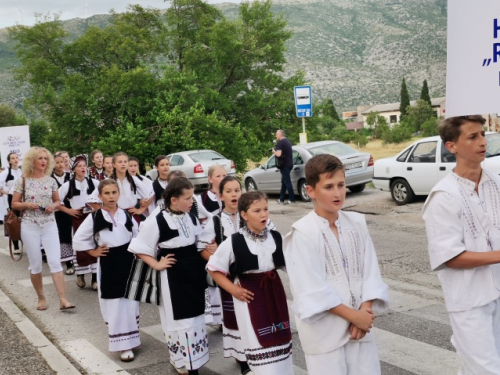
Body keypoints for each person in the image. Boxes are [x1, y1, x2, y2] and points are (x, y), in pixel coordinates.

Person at [283, 154, 389, 374]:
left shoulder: (357, 224)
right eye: (328, 186)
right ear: (311, 191)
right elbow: (311, 290)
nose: (337, 193)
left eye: (341, 185)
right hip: (325, 337)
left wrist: (365, 311)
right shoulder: (302, 233)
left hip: (359, 332)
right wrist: (355, 317)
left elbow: (370, 272)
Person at [422, 115, 500, 374]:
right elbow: (450, 257)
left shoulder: (496, 184)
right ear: (451, 146)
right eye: (472, 136)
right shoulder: (444, 196)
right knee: (487, 370)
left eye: (482, 134)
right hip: (469, 301)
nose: (482, 141)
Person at [207, 191, 294, 375]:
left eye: (265, 209)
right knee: (257, 340)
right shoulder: (234, 241)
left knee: (280, 339)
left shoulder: (276, 238)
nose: (263, 214)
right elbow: (213, 268)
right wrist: (233, 290)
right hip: (249, 297)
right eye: (257, 211)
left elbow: (293, 266)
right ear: (244, 215)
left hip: (273, 293)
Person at [129, 177, 209, 375]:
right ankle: (182, 362)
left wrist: (209, 247)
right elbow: (139, 247)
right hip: (173, 274)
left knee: (196, 317)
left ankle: (192, 362)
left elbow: (199, 240)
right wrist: (156, 263)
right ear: (174, 199)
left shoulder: (190, 215)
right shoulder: (158, 219)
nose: (192, 201)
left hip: (193, 270)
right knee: (179, 320)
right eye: (188, 198)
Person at [73, 179, 140, 362]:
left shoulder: (126, 215)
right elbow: (79, 238)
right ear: (100, 196)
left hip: (128, 260)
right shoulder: (95, 217)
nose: (111, 197)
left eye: (114, 193)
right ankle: (122, 345)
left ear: (118, 194)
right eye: (107, 193)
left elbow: (138, 234)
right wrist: (93, 251)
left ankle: (132, 338)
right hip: (109, 261)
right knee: (115, 302)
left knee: (130, 300)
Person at [11, 147, 75, 311]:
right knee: (36, 264)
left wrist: (52, 206)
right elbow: (14, 204)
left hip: (49, 224)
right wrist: (26, 204)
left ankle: (63, 299)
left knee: (55, 262)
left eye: (46, 159)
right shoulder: (22, 181)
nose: (43, 161)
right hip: (29, 225)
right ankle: (41, 297)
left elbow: (58, 201)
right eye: (40, 158)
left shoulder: (50, 180)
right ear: (32, 160)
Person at [58, 155, 100, 290]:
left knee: (94, 244)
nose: (83, 168)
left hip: (92, 218)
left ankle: (95, 278)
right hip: (77, 219)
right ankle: (80, 275)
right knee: (80, 246)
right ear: (74, 169)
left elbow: (103, 196)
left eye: (84, 166)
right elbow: (56, 201)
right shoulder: (67, 185)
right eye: (80, 166)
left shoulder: (94, 183)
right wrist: (68, 211)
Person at [87, 152, 150, 224]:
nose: (123, 164)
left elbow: (149, 194)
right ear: (114, 164)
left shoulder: (133, 179)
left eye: (125, 162)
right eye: (120, 162)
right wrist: (106, 214)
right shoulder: (108, 181)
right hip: (116, 217)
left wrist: (141, 209)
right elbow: (91, 200)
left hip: (133, 216)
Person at [51, 153, 73, 274]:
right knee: (63, 235)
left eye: (62, 162)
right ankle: (68, 263)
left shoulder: (70, 176)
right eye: (57, 162)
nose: (60, 164)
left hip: (72, 209)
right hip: (58, 212)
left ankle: (76, 261)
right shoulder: (50, 178)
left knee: (73, 234)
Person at [0, 152, 23, 253]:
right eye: (13, 158)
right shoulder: (5, 173)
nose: (15, 160)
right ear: (9, 161)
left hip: (24, 199)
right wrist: (6, 192)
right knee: (13, 221)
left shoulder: (23, 171)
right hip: (11, 199)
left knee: (25, 220)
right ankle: (16, 245)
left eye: (16, 158)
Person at [272, 129, 295, 204]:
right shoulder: (288, 142)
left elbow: (279, 154)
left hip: (284, 165)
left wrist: (274, 151)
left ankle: (292, 199)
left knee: (287, 182)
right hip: (290, 164)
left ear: (280, 134)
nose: (276, 135)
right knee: (284, 181)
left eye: (276, 134)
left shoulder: (281, 143)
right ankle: (281, 198)